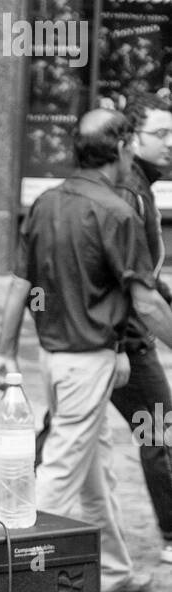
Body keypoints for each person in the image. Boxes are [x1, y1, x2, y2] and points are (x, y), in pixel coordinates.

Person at [0, 108, 172, 592]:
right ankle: (6, 581)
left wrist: (5, 351)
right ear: (119, 150)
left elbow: (19, 284)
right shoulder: (117, 211)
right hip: (89, 360)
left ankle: (113, 570)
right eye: (132, 145)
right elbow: (147, 302)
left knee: (95, 471)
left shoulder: (47, 202)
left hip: (55, 359)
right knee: (59, 475)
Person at [113, 94, 172, 567]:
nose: (170, 144)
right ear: (131, 138)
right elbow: (141, 295)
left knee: (68, 436)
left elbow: (148, 276)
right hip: (126, 341)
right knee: (161, 433)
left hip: (105, 340)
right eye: (161, 134)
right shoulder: (130, 192)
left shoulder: (139, 185)